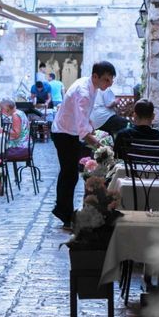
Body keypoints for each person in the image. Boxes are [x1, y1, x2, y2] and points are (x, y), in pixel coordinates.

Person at [51, 61, 116, 230]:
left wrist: (91, 127)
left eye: (111, 80)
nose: (109, 84)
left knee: (69, 173)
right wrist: (101, 145)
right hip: (64, 132)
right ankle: (65, 215)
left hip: (67, 130)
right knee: (69, 174)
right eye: (106, 80)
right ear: (96, 76)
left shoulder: (90, 85)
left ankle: (63, 211)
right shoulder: (84, 92)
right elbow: (82, 129)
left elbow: (84, 116)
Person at [0, 97, 29, 196]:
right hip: (23, 146)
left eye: (1, 109)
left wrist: (3, 130)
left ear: (7, 108)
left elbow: (16, 134)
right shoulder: (20, 113)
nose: (1, 111)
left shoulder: (15, 115)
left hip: (19, 148)